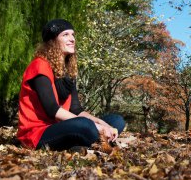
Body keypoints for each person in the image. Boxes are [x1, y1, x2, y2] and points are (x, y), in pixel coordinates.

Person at [17, 19, 125, 151]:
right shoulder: (39, 66)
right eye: (65, 35)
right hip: (38, 133)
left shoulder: (68, 71)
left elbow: (76, 110)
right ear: (52, 41)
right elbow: (52, 110)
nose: (72, 39)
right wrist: (97, 127)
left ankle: (83, 142)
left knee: (116, 120)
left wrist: (104, 125)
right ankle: (91, 139)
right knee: (85, 125)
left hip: (63, 126)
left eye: (73, 34)